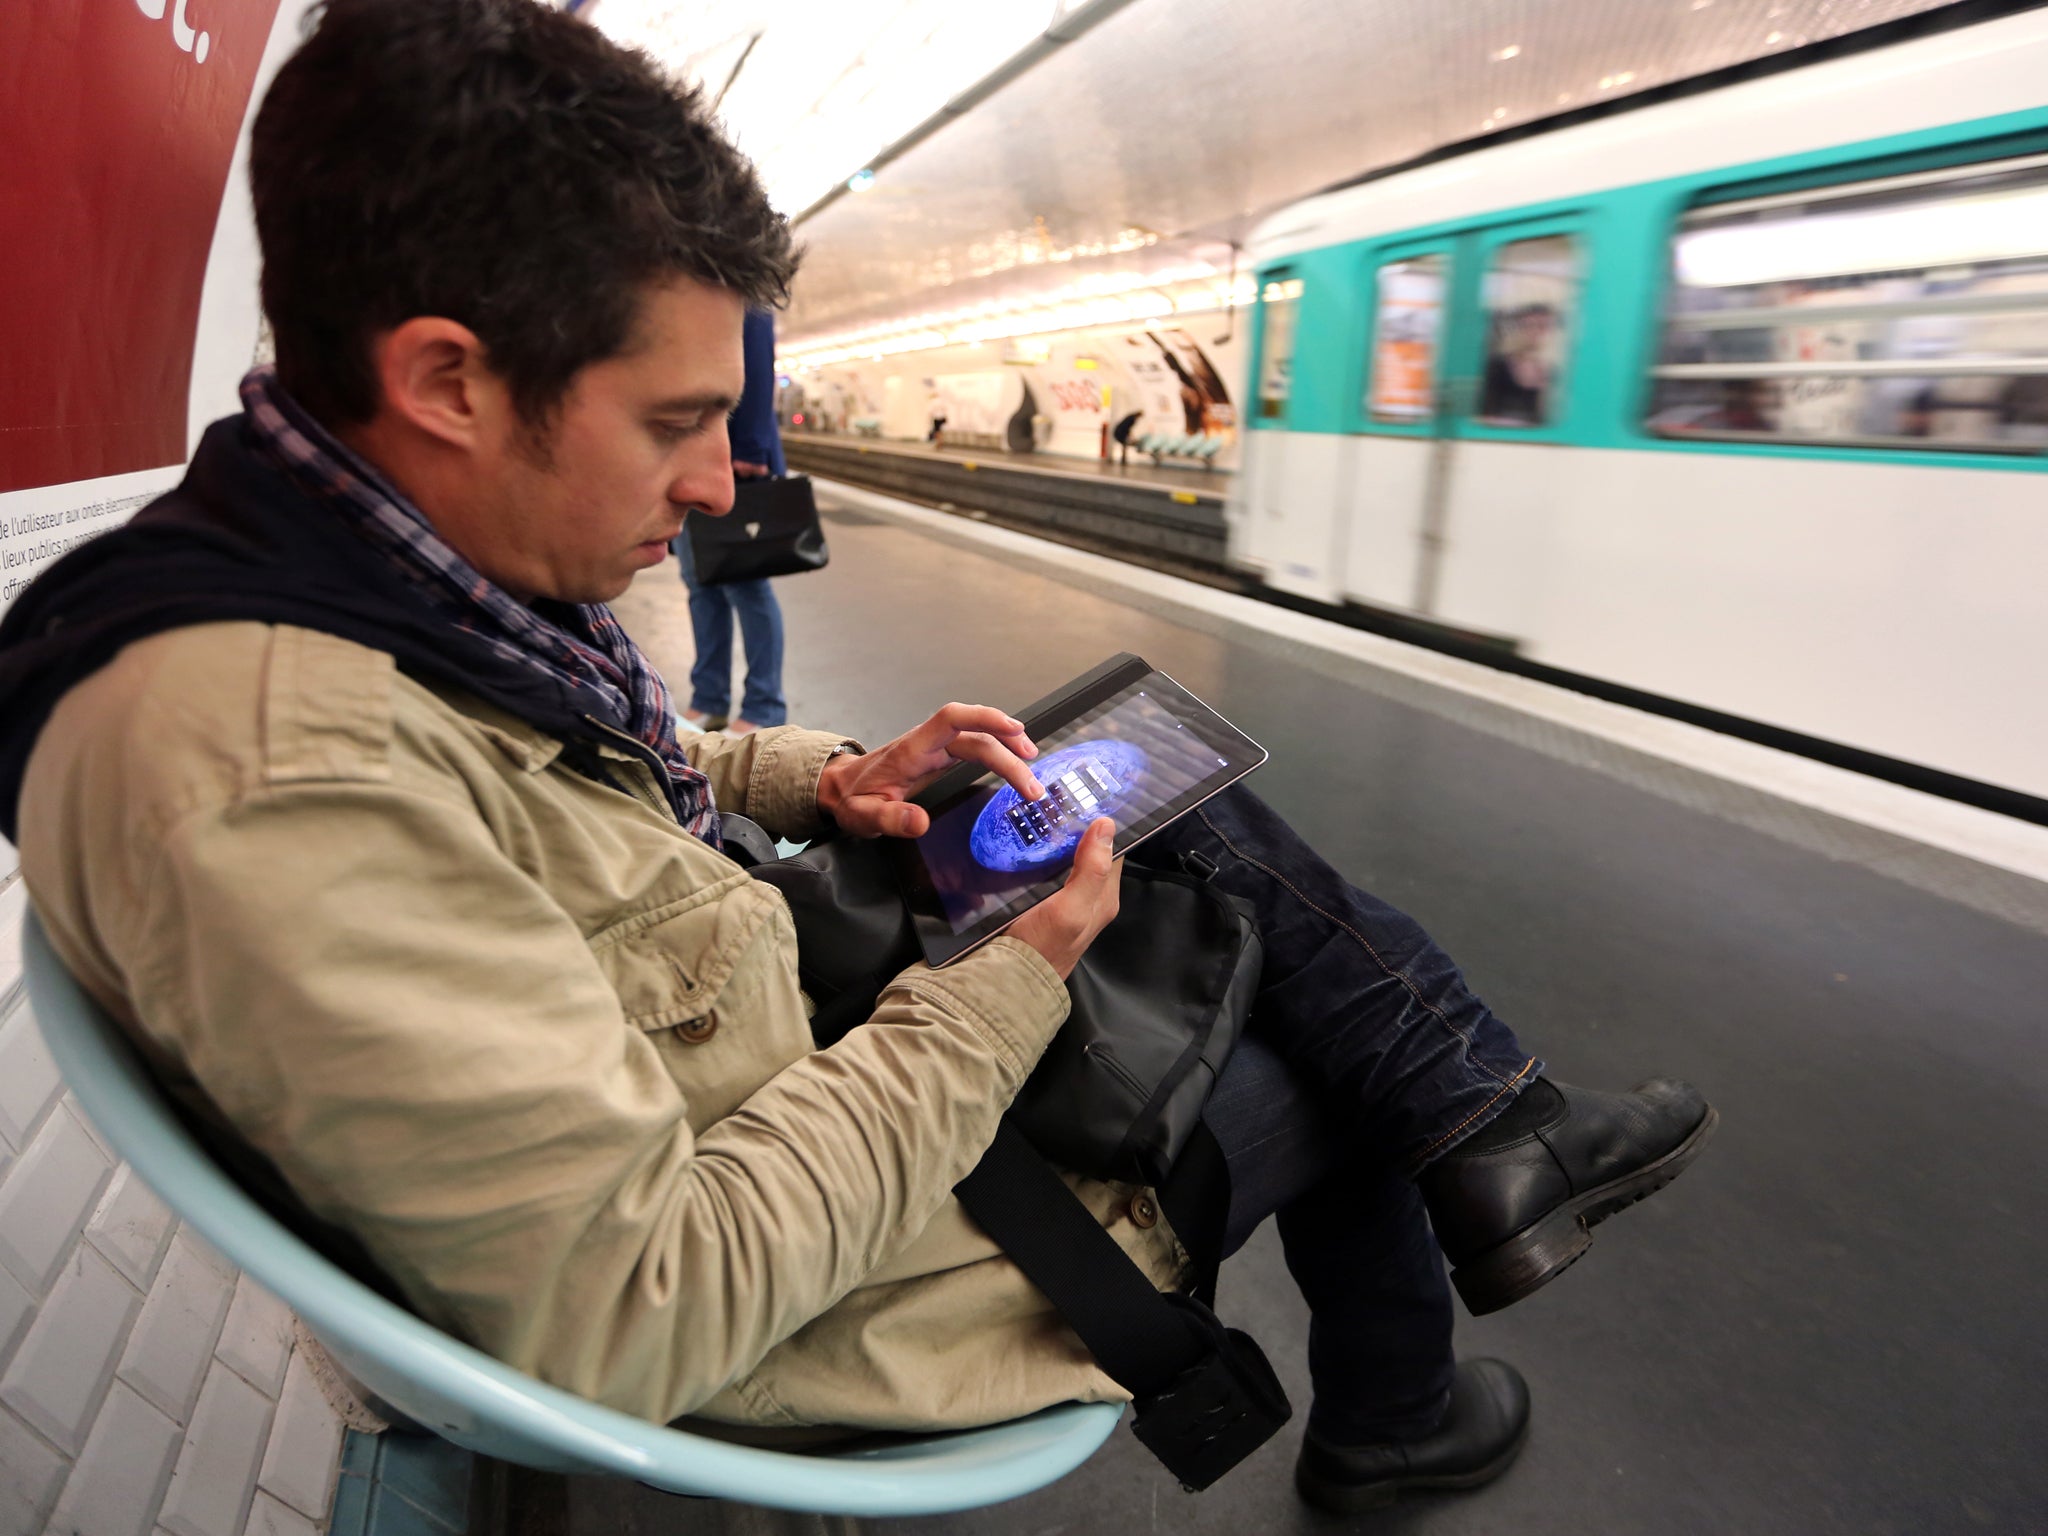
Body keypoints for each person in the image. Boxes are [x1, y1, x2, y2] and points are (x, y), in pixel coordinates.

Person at [0, 0, 1714, 1513]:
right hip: (865, 1286)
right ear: (448, 378)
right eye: (676, 423)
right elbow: (636, 1304)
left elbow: (572, 772)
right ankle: (1423, 1325)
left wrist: (818, 775)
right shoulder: (264, 772)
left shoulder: (342, 572)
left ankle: (1481, 1146)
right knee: (1299, 1031)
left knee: (1118, 785)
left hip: (764, 1027)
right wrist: (1011, 980)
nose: (712, 489)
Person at [674, 307, 786, 735]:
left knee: (747, 584)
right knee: (700, 582)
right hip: (690, 449)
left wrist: (754, 445)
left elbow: (757, 350)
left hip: (734, 456)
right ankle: (709, 698)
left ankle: (764, 705)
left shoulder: (734, 269)